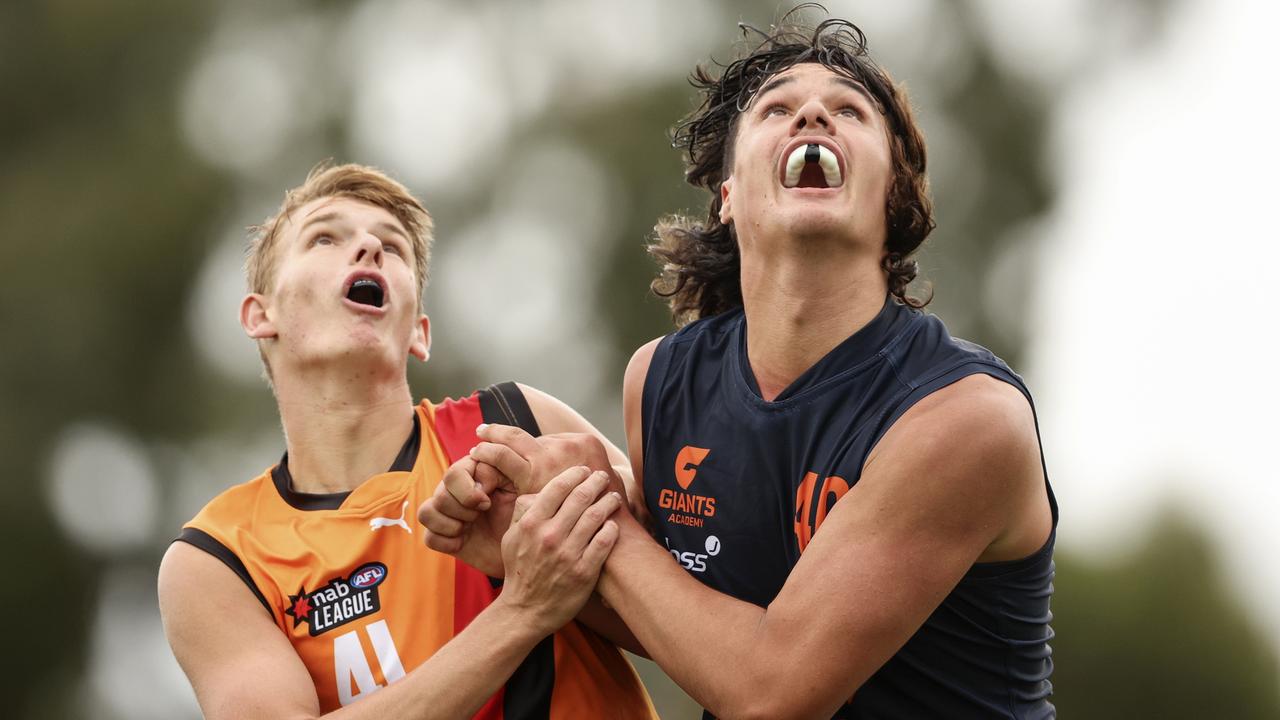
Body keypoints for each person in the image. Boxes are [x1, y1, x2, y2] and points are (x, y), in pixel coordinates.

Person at [423, 16, 1057, 719]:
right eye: (777, 108)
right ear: (727, 197)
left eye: (850, 111)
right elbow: (684, 628)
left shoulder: (965, 418)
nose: (814, 113)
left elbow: (768, 692)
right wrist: (529, 545)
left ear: (893, 199)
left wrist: (603, 521)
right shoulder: (659, 380)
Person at [157, 163, 658, 719]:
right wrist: (521, 610)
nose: (370, 246)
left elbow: (698, 619)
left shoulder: (515, 425)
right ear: (260, 315)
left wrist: (573, 573)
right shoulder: (219, 557)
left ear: (418, 331)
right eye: (325, 236)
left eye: (392, 246)